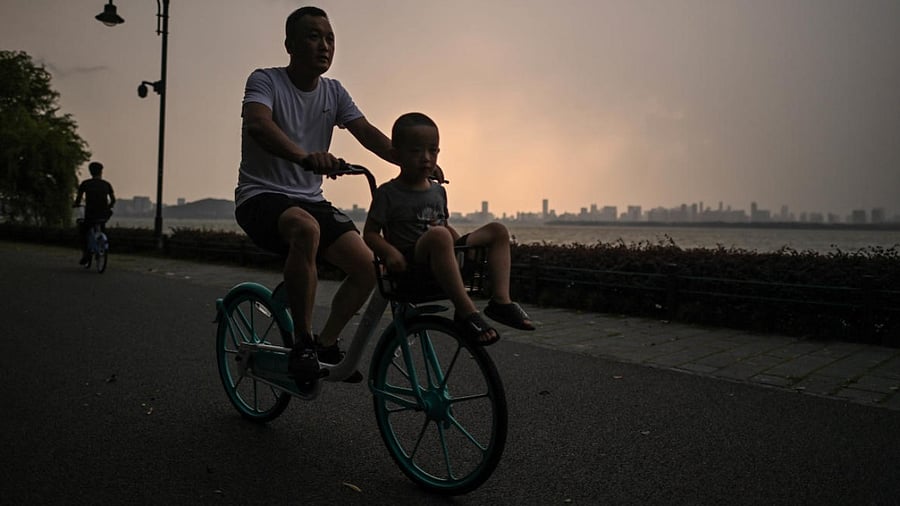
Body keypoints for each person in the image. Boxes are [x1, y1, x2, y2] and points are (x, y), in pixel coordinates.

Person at [234, 6, 398, 396]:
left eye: (329, 38)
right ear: (289, 44)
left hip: (310, 199)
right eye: (313, 36)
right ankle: (302, 344)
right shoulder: (265, 81)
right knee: (304, 229)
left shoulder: (334, 92)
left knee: (368, 268)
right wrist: (303, 156)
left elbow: (367, 133)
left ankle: (325, 343)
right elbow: (259, 124)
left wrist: (414, 162)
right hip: (260, 196)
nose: (324, 45)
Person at [363, 112, 535, 346]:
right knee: (439, 235)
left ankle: (501, 302)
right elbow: (370, 233)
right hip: (411, 262)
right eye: (415, 151)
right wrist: (389, 252)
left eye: (432, 151)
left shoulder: (437, 191)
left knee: (497, 230)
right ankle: (466, 311)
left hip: (439, 248)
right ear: (396, 156)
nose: (426, 158)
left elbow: (443, 225)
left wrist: (463, 246)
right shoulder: (388, 193)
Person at [74, 161, 115, 265]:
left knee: (83, 230)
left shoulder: (85, 184)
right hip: (103, 215)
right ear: (101, 172)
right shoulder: (107, 184)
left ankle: (85, 254)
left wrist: (76, 204)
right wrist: (107, 207)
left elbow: (78, 200)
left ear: (90, 172)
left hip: (90, 214)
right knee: (101, 226)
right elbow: (113, 200)